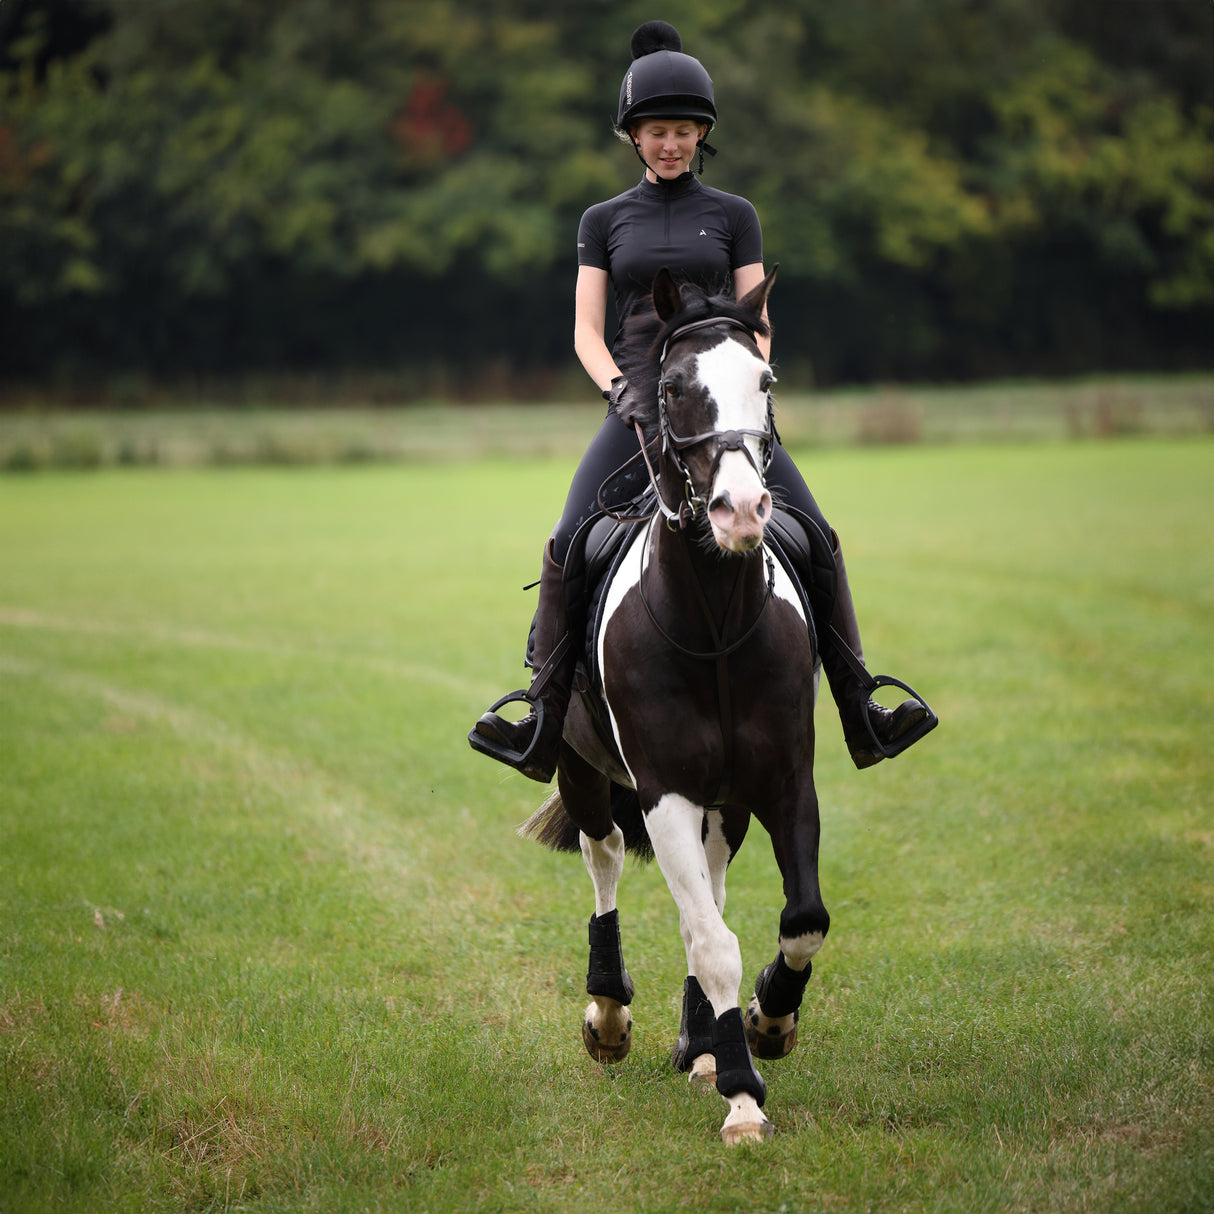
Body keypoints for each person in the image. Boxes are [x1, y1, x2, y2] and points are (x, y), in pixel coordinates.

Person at [470, 21, 929, 782]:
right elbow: (587, 331)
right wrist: (620, 390)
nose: (671, 143)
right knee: (564, 543)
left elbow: (759, 320)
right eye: (657, 131)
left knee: (816, 533)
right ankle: (542, 719)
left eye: (683, 131)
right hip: (638, 408)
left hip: (724, 406)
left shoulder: (736, 213)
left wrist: (745, 388)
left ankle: (861, 706)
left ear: (701, 134)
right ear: (634, 137)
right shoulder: (603, 221)